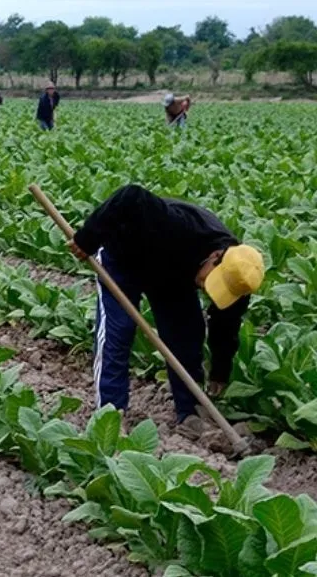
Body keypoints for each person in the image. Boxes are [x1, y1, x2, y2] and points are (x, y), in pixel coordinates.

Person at [68, 184, 264, 437]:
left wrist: (220, 371)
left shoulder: (240, 279)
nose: (207, 288)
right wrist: (87, 239)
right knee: (119, 331)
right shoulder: (176, 226)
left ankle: (190, 410)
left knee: (187, 336)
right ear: (216, 256)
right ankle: (110, 413)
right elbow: (130, 195)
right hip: (125, 257)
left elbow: (224, 327)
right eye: (210, 280)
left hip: (174, 275)